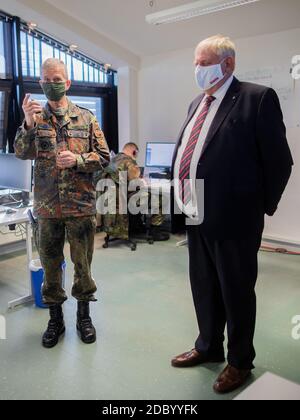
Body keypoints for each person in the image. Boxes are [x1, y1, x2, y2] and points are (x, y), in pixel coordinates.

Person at [170, 35, 293, 393]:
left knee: (236, 291)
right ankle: (208, 347)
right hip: (197, 210)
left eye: (204, 62)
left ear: (228, 64)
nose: (198, 69)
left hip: (236, 218)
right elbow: (192, 154)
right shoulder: (197, 102)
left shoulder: (256, 98)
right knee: (204, 286)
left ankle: (240, 361)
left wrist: (258, 208)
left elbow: (279, 162)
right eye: (195, 62)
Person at [14, 58, 110, 348]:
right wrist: (28, 123)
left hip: (80, 207)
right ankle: (55, 319)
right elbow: (21, 153)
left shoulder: (87, 117)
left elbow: (104, 157)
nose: (49, 83)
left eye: (55, 78)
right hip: (47, 208)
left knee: (83, 266)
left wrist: (78, 159)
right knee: (51, 268)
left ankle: (84, 316)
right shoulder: (36, 118)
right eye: (44, 79)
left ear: (67, 83)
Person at [100, 142, 169, 241]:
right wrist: (144, 182)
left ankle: (136, 226)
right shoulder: (129, 162)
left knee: (139, 195)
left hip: (111, 201)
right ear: (134, 152)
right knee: (160, 198)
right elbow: (137, 184)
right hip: (124, 201)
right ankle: (155, 232)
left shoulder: (112, 160)